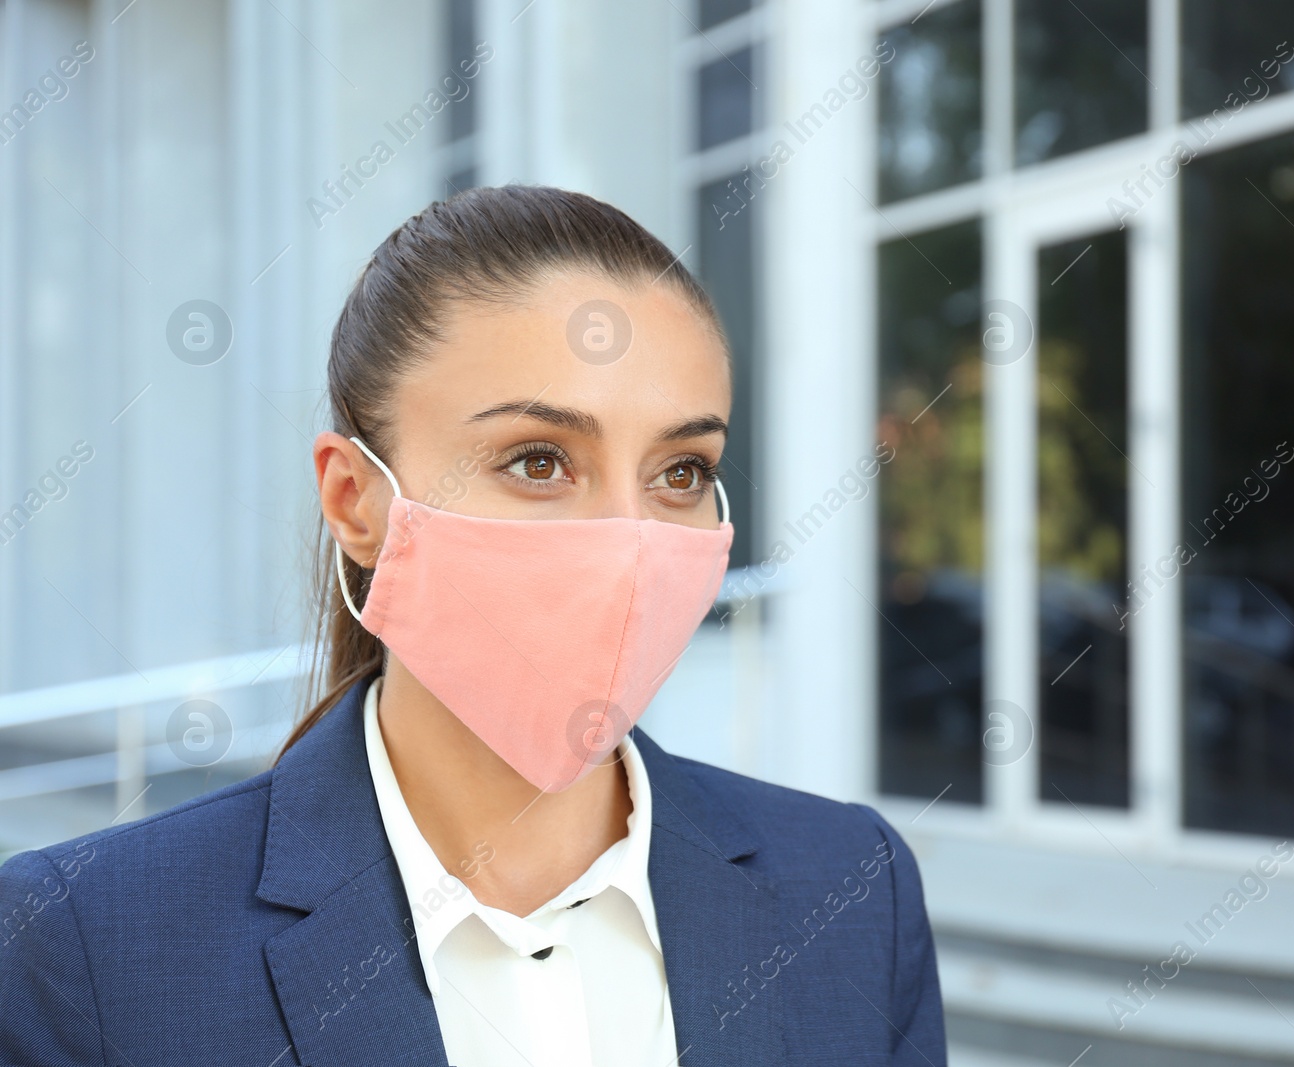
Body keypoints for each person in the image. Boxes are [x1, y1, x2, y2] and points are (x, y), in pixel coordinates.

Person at [0, 186, 946, 1065]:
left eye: (681, 471)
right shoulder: (86, 948)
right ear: (356, 499)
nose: (627, 540)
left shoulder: (856, 891)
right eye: (539, 461)